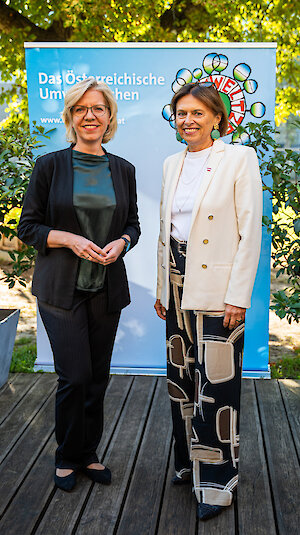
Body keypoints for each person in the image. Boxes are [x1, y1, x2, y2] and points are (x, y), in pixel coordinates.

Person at [18, 77, 140, 492]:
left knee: (97, 376)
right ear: (71, 117)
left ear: (110, 118)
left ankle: (88, 453)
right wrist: (69, 239)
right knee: (73, 376)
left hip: (106, 288)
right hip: (60, 289)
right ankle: (66, 456)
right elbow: (28, 227)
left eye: (98, 109)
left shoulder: (123, 169)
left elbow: (133, 225)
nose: (90, 116)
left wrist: (121, 243)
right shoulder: (50, 165)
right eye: (81, 109)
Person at [154, 82, 262, 520]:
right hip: (177, 286)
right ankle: (188, 464)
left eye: (198, 113)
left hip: (219, 291)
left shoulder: (239, 159)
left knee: (216, 387)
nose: (188, 120)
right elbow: (166, 233)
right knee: (181, 380)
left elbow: (249, 231)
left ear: (217, 118)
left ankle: (217, 485)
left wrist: (238, 296)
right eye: (181, 113)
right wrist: (164, 288)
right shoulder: (169, 163)